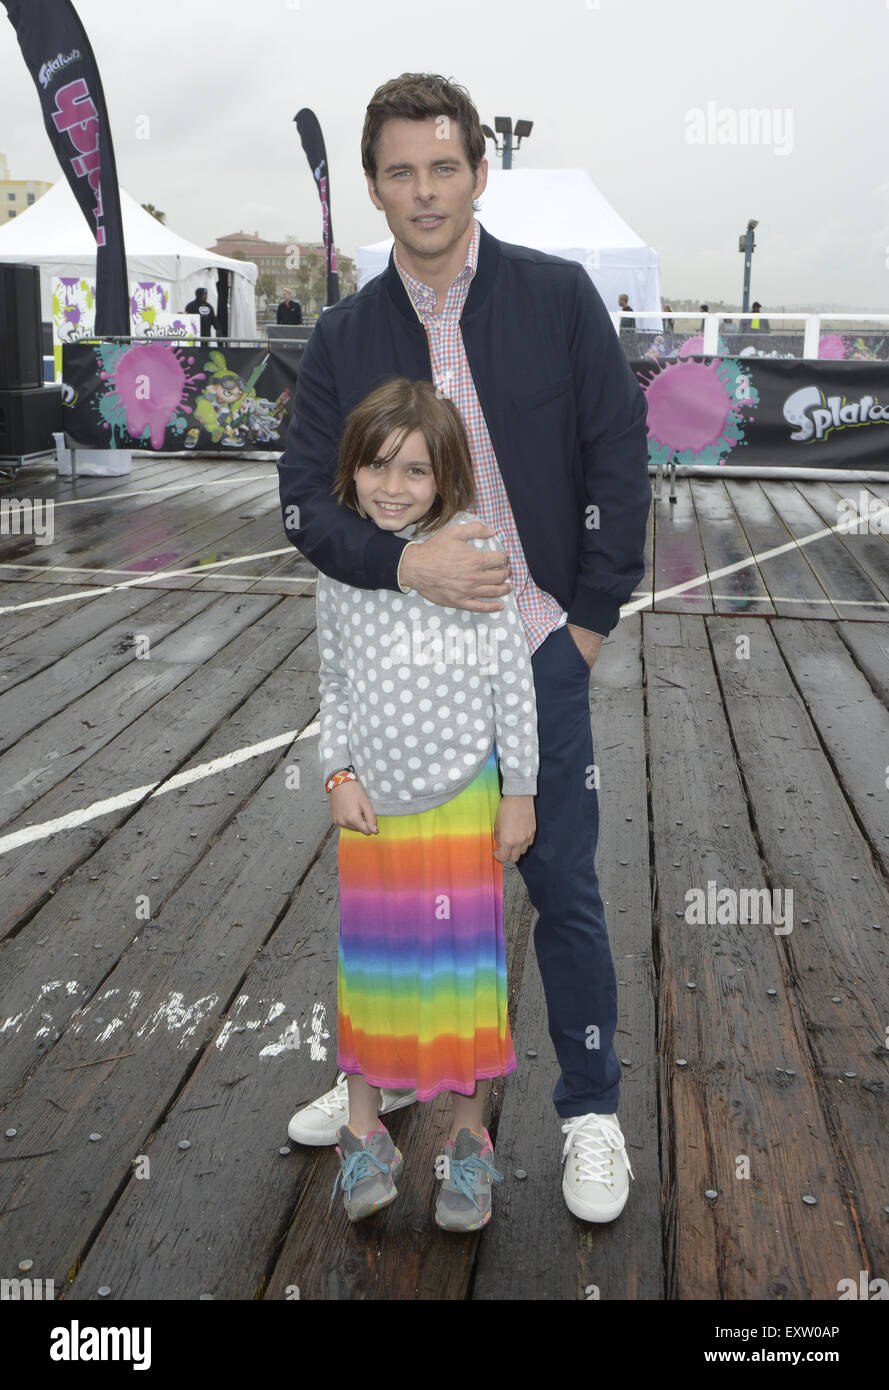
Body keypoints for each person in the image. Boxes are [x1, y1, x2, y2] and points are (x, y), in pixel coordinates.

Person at [278, 71, 650, 1225]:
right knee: (394, 893)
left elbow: (618, 466)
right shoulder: (344, 333)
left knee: (557, 880)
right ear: (377, 186)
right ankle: (384, 1074)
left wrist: (583, 625)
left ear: (478, 174)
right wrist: (407, 565)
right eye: (401, 170)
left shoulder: (557, 298)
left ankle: (588, 1109)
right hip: (393, 667)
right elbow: (300, 503)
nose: (425, 190)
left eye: (444, 167)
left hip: (533, 647)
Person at [318, 375, 539, 1227]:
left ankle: (467, 1144)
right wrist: (339, 774)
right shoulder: (342, 566)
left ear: (446, 476)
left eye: (414, 470)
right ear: (352, 470)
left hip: (459, 808)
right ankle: (363, 1130)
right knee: (370, 973)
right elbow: (333, 681)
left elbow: (511, 689)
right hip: (373, 815)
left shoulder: (477, 553)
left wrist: (516, 794)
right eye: (376, 466)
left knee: (461, 980)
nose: (393, 486)